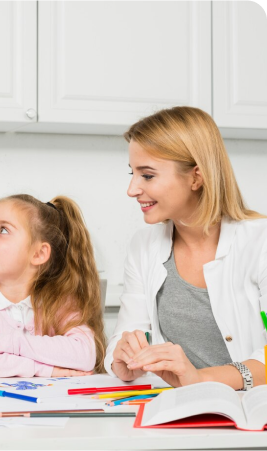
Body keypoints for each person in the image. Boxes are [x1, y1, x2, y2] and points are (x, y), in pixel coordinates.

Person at [105, 106, 267, 390]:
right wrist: (122, 359)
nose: (132, 189)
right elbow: (127, 334)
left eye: (147, 175)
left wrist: (201, 379)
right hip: (177, 411)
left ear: (196, 177)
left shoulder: (260, 241)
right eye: (133, 173)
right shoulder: (143, 246)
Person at [0, 194, 106, 377]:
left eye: (3, 230)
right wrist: (42, 369)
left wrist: (2, 343)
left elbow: (84, 355)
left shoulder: (59, 301)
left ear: (38, 253)